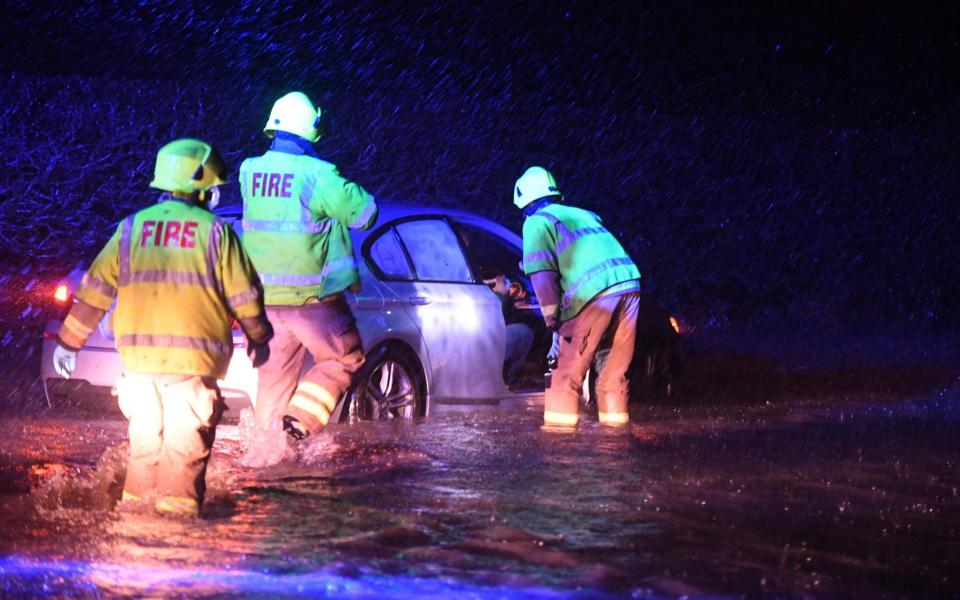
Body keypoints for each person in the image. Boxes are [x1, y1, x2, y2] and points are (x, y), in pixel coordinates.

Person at [53, 139, 273, 517]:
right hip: (191, 369)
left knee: (144, 457)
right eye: (215, 185)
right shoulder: (216, 233)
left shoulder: (130, 229)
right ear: (202, 185)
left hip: (138, 369)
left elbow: (94, 294)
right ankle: (175, 545)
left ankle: (133, 531)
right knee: (183, 462)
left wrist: (68, 343)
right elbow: (246, 296)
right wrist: (260, 338)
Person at [239, 91, 378, 440]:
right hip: (313, 300)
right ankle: (299, 422)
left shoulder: (250, 171)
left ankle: (267, 457)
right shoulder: (316, 174)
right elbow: (365, 214)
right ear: (311, 129)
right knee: (344, 359)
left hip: (264, 302)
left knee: (273, 381)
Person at [514, 166, 642, 428]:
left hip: (592, 293)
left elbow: (542, 273)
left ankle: (560, 454)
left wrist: (552, 319)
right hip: (629, 287)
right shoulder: (583, 214)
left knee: (563, 375)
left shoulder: (537, 222)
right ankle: (615, 444)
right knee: (613, 376)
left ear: (525, 204)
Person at [483, 272, 535, 386]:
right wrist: (501, 294)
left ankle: (510, 379)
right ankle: (512, 380)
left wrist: (492, 283)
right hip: (487, 342)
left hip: (482, 341)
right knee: (525, 331)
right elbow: (497, 317)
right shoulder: (497, 298)